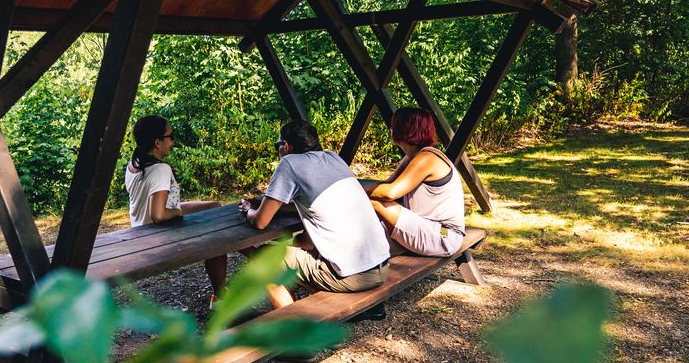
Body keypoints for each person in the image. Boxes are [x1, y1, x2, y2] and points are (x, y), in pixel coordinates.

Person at [240, 120, 391, 309]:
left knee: (265, 257)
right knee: (302, 248)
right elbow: (310, 205)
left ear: (285, 146)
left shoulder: (289, 163)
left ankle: (292, 320)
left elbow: (260, 221)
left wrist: (247, 210)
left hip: (354, 276)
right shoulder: (333, 158)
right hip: (381, 265)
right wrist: (264, 202)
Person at [124, 115, 228, 302]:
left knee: (215, 207)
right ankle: (222, 294)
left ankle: (250, 258)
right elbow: (158, 215)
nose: (173, 142)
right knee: (217, 235)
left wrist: (178, 210)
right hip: (157, 233)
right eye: (170, 137)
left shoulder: (134, 164)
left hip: (140, 227)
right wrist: (179, 212)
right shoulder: (160, 169)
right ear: (157, 142)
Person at [365, 107, 466, 257]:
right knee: (373, 209)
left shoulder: (427, 158)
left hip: (445, 235)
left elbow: (390, 192)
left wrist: (351, 189)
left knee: (376, 203)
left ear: (403, 128)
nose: (391, 128)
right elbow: (386, 185)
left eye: (394, 125)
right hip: (427, 227)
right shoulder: (413, 157)